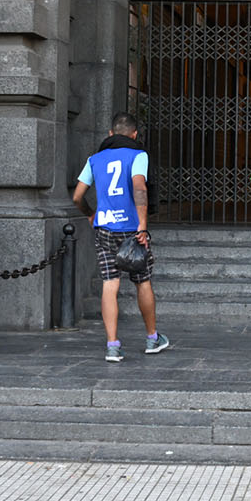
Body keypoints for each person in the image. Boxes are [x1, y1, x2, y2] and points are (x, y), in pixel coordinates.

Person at [71, 112, 168, 362]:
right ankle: (152, 338)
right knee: (142, 281)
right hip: (132, 230)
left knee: (109, 284)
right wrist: (143, 225)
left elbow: (77, 197)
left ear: (111, 134)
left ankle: (112, 345)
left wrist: (91, 215)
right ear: (135, 134)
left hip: (105, 228)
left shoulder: (95, 159)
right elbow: (139, 187)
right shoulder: (138, 155)